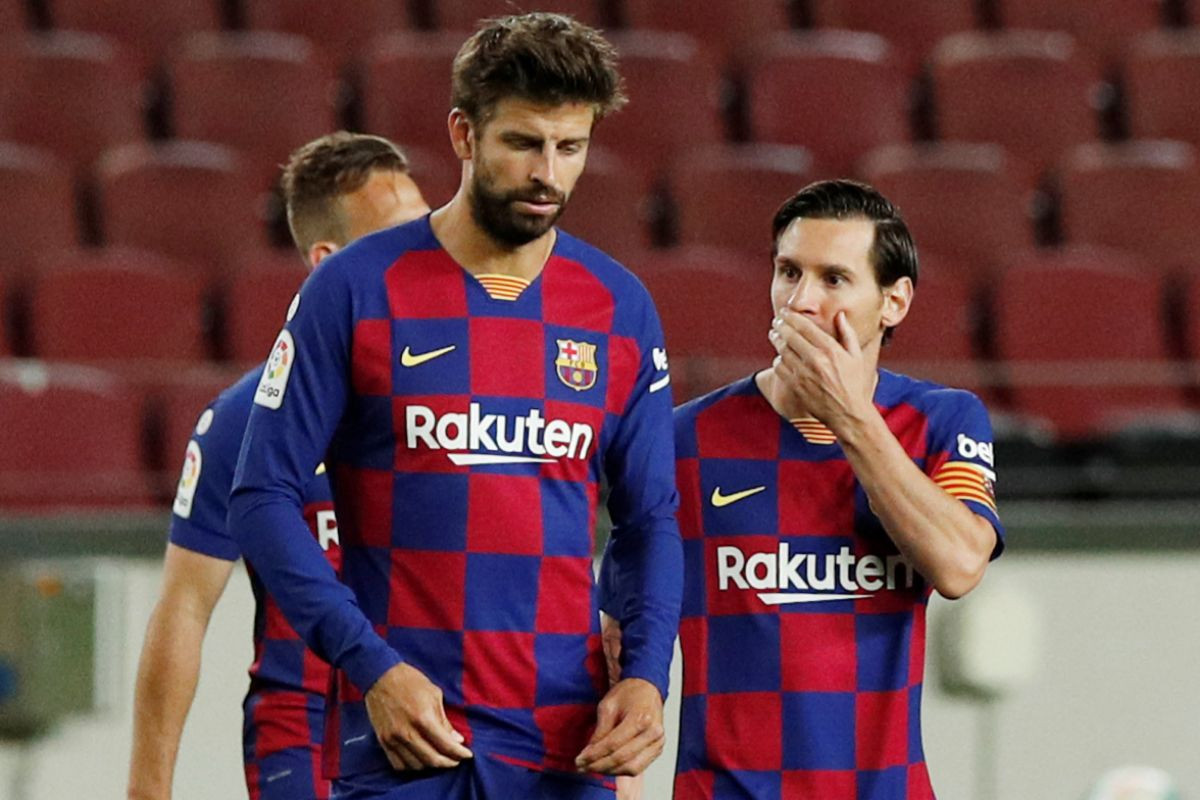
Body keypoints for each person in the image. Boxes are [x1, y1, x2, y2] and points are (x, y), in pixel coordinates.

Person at [227, 12, 683, 800]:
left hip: (564, 753)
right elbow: (260, 498)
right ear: (464, 135)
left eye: (569, 147)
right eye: (522, 143)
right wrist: (369, 666)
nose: (547, 172)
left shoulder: (618, 307)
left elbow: (651, 522)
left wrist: (645, 677)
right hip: (407, 743)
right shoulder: (353, 291)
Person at [602, 179, 1004, 799]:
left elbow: (957, 564)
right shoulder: (685, 440)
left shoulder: (941, 422)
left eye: (834, 280)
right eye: (788, 272)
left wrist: (849, 419)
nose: (800, 301)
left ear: (893, 302)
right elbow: (617, 642)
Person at [126, 131, 431, 800]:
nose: (429, 258)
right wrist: (147, 792)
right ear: (328, 262)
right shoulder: (245, 420)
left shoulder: (474, 402)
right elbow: (183, 610)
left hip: (443, 721)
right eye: (400, 241)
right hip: (305, 734)